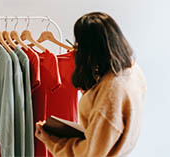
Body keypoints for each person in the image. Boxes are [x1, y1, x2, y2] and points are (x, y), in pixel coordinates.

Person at [35, 12, 147, 157]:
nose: (76, 47)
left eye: (79, 43)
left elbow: (91, 153)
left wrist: (51, 140)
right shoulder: (132, 70)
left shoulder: (110, 93)